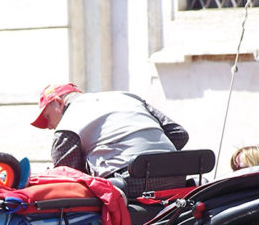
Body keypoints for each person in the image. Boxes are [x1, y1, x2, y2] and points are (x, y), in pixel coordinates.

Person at [31, 83, 189, 197]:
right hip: (177, 175)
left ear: (59, 102)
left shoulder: (68, 122)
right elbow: (179, 134)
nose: (50, 126)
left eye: (48, 117)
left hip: (132, 182)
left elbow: (66, 178)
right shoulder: (127, 97)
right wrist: (156, 157)